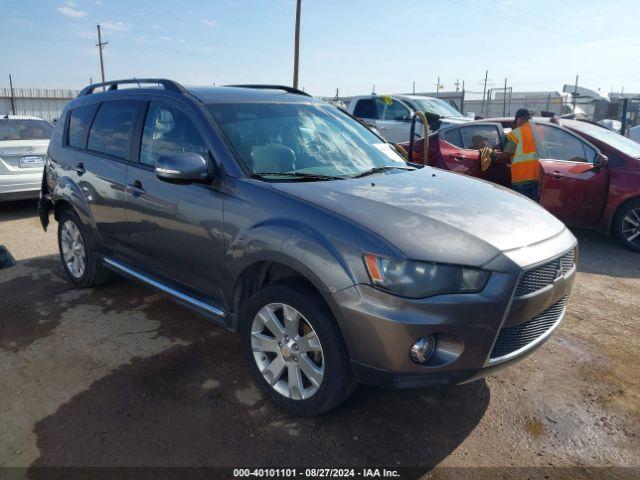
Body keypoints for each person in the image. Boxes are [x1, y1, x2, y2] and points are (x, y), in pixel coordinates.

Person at [494, 109, 542, 202]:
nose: (516, 124)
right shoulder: (540, 131)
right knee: (534, 208)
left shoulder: (517, 133)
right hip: (538, 176)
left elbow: (506, 155)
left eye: (516, 121)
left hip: (521, 177)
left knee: (522, 207)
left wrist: (491, 154)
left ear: (520, 119)